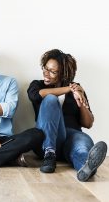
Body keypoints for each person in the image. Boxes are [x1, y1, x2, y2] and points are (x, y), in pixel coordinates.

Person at [27, 49, 107, 181]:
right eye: (45, 68)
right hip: (46, 137)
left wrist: (80, 101)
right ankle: (49, 154)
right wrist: (70, 89)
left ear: (64, 74)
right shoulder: (37, 85)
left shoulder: (77, 89)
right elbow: (35, 96)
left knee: (81, 147)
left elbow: (88, 123)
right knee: (51, 99)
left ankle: (86, 167)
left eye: (53, 72)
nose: (46, 74)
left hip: (71, 136)